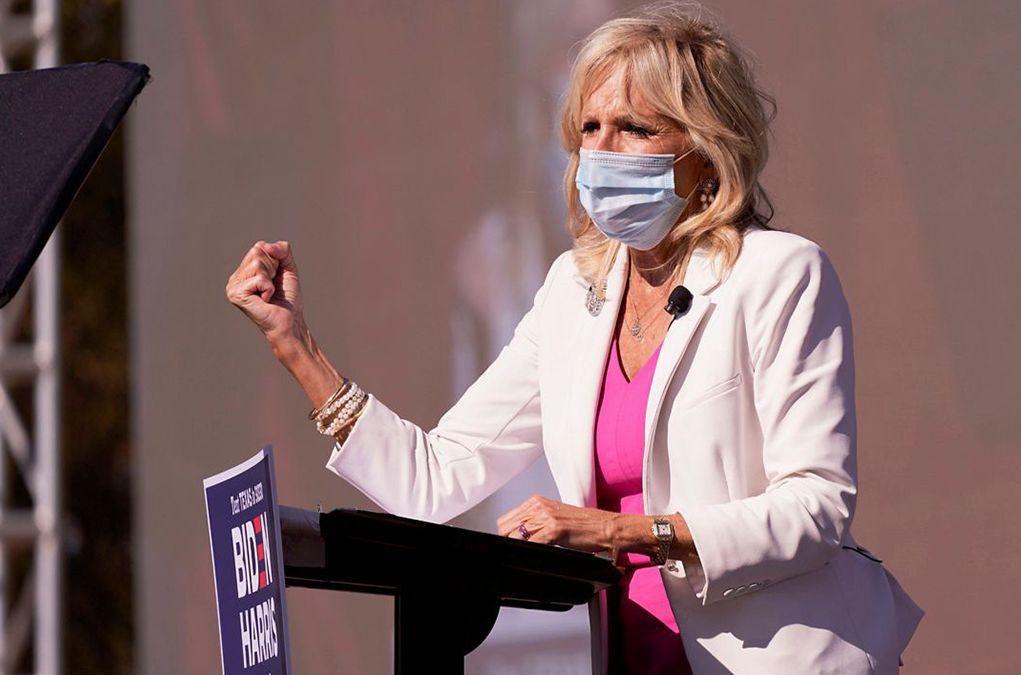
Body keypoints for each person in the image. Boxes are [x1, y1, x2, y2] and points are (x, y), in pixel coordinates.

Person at [226, 5, 921, 674]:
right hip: (630, 655)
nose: (602, 151)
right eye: (589, 126)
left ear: (705, 153)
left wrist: (619, 532)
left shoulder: (778, 273)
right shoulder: (572, 293)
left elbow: (815, 508)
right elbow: (435, 479)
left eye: (633, 127)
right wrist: (298, 347)